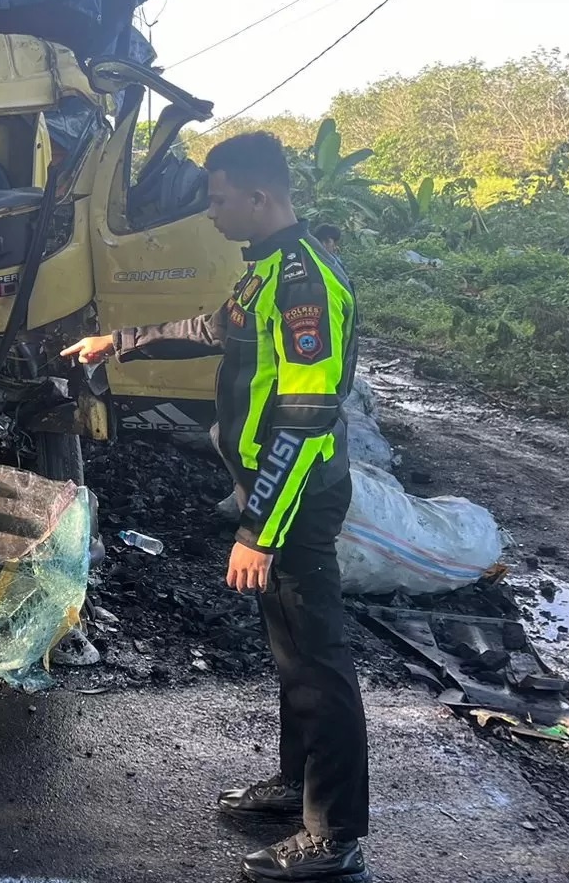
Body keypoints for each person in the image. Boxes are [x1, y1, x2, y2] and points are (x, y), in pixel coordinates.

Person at [63, 132, 370, 883]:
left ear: (260, 197)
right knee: (292, 653)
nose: (210, 211)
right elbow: (210, 328)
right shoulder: (264, 274)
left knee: (320, 663)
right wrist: (121, 342)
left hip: (296, 502)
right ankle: (295, 788)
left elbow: (305, 416)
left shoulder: (304, 285)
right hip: (275, 496)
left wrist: (259, 531)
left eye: (218, 197)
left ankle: (334, 839)